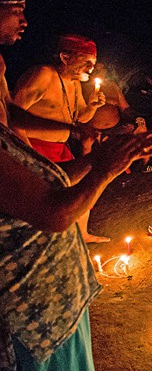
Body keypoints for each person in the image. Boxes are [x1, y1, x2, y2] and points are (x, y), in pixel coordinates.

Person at [0, 0, 152, 371]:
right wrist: (102, 167)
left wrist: (97, 146)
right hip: (31, 322)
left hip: (56, 307)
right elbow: (51, 210)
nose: (24, 18)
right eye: (15, 8)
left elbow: (61, 125)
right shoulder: (37, 77)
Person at [13, 34, 111, 243]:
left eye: (92, 63)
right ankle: (48, 242)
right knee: (50, 200)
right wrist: (27, 153)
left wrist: (92, 106)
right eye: (86, 62)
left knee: (85, 185)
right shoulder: (43, 75)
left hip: (60, 147)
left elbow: (79, 118)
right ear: (66, 57)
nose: (91, 68)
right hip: (35, 147)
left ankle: (83, 234)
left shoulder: (73, 83)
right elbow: (13, 115)